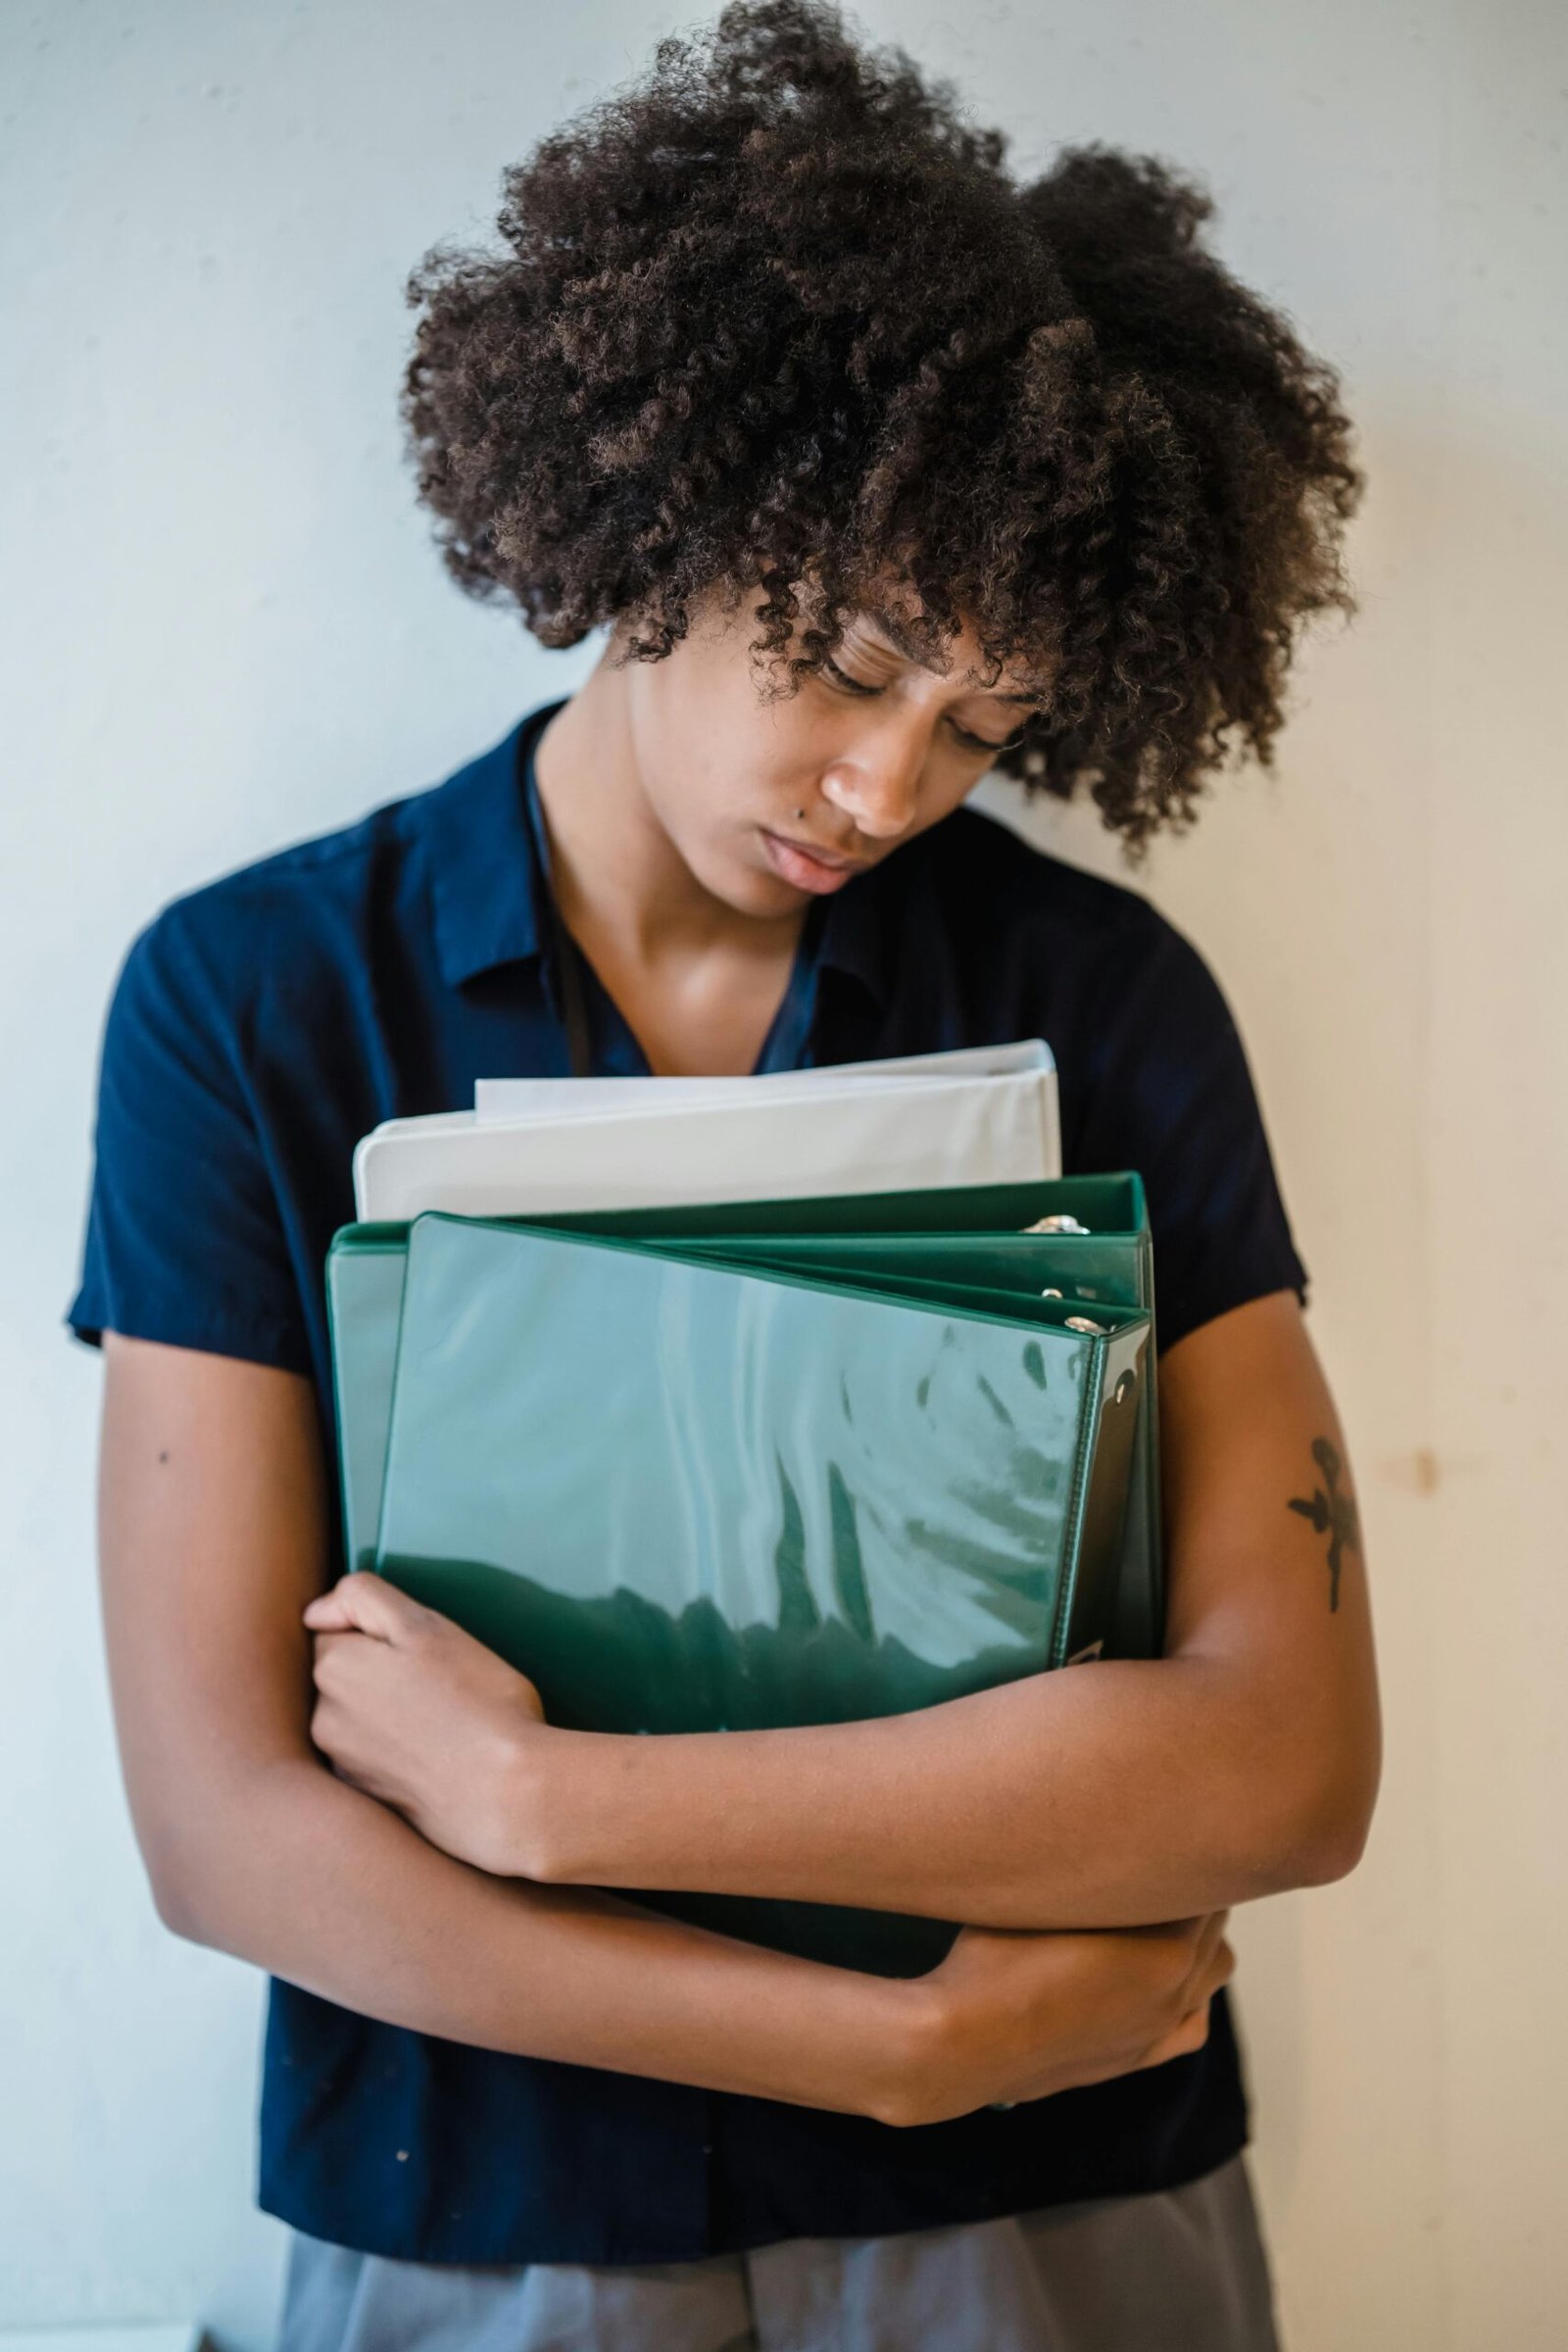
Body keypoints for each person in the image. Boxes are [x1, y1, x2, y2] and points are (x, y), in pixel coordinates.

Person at [66, 3, 1381, 2344]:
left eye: (983, 721)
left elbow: (1280, 1763)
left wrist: (553, 1802)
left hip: (1056, 2221)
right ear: (667, 506)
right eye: (855, 658)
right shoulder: (246, 1003)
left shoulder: (1107, 1001)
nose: (887, 785)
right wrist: (896, 2051)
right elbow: (225, 1830)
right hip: (485, 2203)